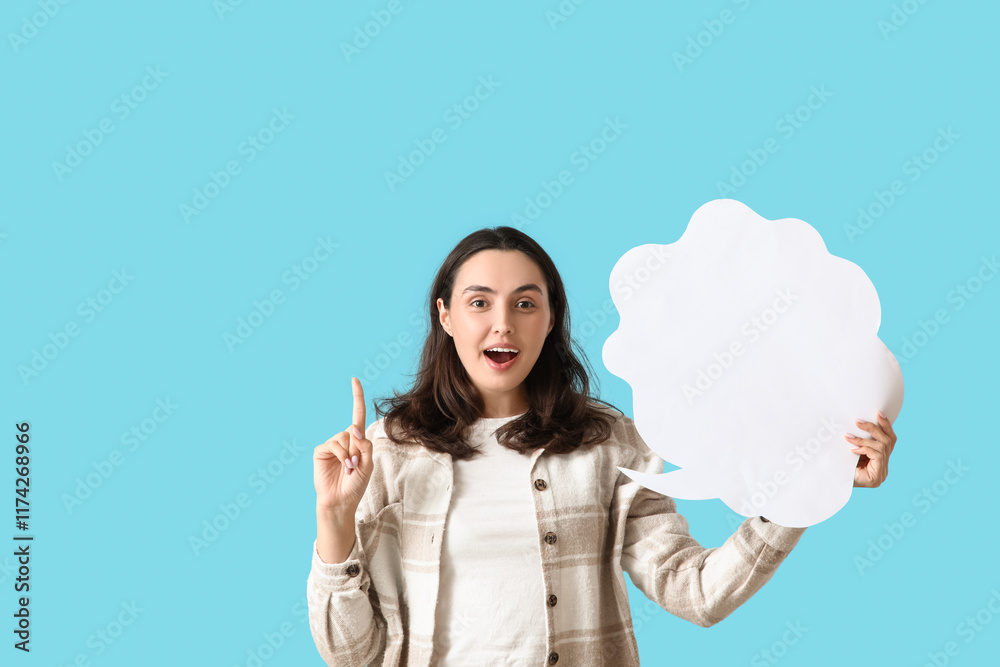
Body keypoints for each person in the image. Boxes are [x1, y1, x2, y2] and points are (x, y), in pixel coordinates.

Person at [306, 226, 897, 666]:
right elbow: (352, 654)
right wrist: (334, 524)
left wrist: (809, 484)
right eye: (479, 302)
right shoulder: (388, 451)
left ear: (551, 318)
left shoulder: (607, 443)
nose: (503, 324)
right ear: (446, 317)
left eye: (526, 303)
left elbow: (696, 593)